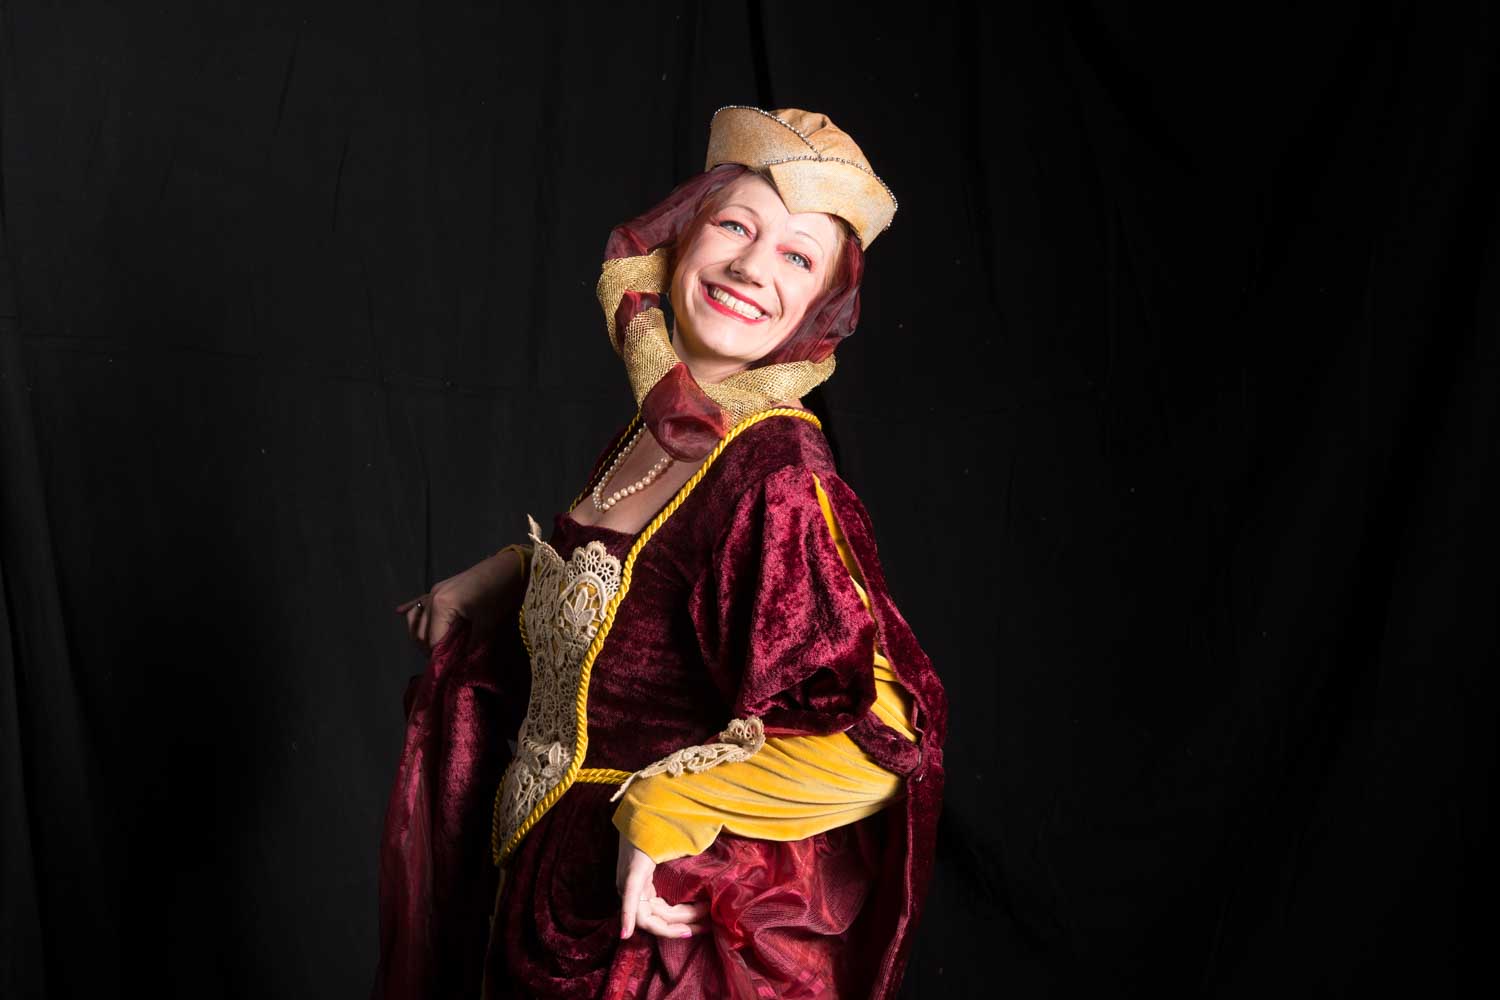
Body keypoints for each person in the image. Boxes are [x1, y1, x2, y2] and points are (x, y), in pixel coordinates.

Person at [374, 106, 947, 999]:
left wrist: (668, 807)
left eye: (797, 257)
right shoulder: (665, 425)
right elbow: (645, 589)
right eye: (734, 226)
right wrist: (498, 578)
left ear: (818, 306)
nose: (752, 267)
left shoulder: (776, 472)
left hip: (643, 939)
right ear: (680, 238)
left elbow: (879, 737)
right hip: (542, 896)